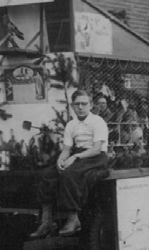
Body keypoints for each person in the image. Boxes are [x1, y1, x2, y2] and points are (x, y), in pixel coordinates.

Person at [30, 90, 109, 238]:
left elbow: (97, 149)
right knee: (48, 175)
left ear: (90, 105)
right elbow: (66, 149)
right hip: (77, 155)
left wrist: (75, 157)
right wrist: (61, 159)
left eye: (84, 104)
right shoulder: (71, 124)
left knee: (69, 174)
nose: (80, 107)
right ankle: (46, 221)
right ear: (72, 106)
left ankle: (73, 218)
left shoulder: (98, 122)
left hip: (94, 157)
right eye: (77, 104)